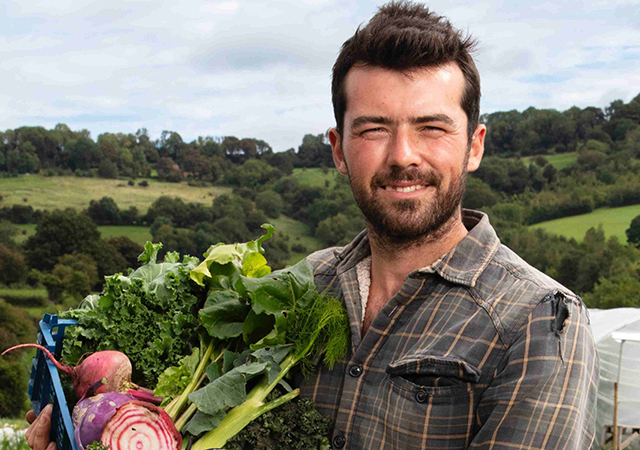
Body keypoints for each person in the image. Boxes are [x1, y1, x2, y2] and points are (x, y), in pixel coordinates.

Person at [25, 1, 597, 449]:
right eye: (374, 129)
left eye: (432, 128)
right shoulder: (301, 287)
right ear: (338, 149)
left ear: (473, 146)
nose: (403, 155)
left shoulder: (540, 322)